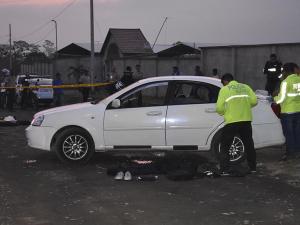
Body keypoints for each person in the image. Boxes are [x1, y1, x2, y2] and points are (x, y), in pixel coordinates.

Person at [216, 73, 258, 175]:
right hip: (246, 120)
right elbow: (254, 101)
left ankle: (224, 170)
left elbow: (219, 108)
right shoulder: (245, 87)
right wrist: (245, 106)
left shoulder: (225, 89)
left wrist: (223, 112)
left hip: (232, 121)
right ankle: (253, 168)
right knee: (249, 144)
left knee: (225, 146)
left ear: (225, 82)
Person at [274, 63, 300, 160]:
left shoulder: (285, 82)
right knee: (297, 132)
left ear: (285, 71)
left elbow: (281, 99)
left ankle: (290, 153)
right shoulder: (299, 79)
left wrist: (273, 99)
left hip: (288, 112)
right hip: (299, 110)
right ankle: (298, 151)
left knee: (289, 134)